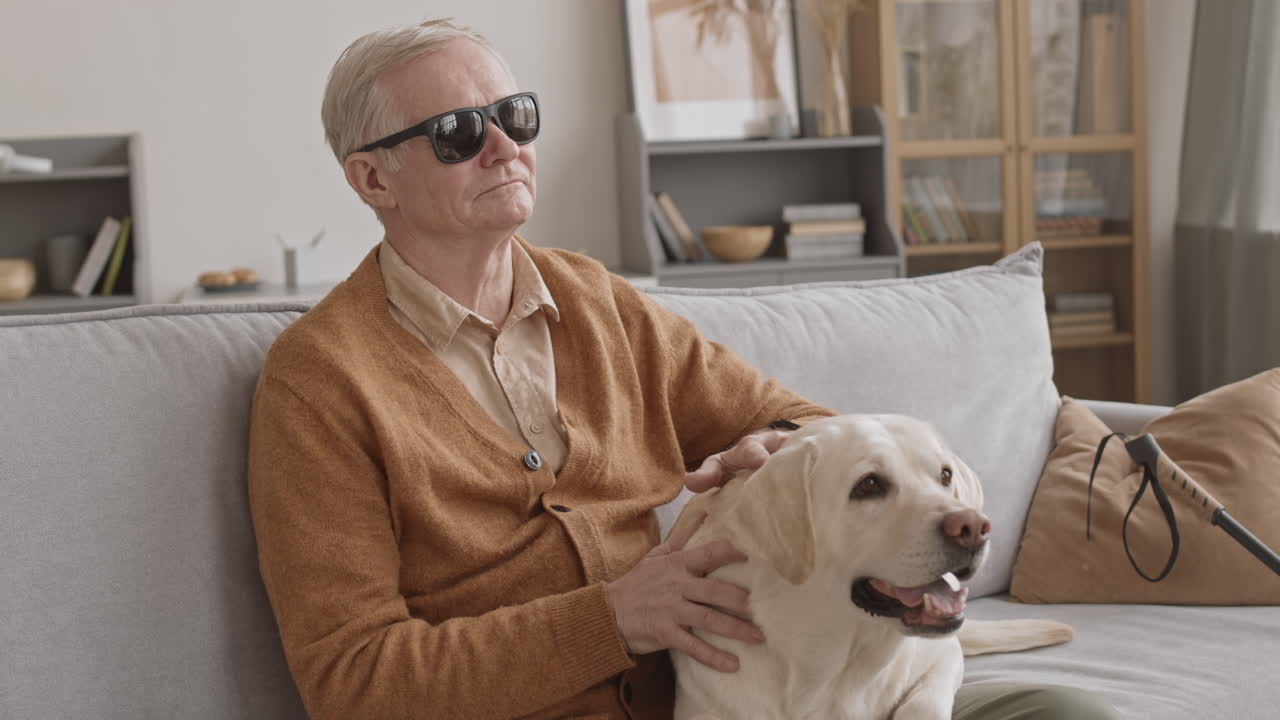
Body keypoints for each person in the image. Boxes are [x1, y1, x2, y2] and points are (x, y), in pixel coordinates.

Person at [246, 18, 1118, 720]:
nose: (503, 147)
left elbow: (798, 421)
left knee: (1072, 715)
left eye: (515, 117)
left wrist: (773, 456)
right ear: (372, 179)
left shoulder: (596, 301)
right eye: (457, 133)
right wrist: (614, 618)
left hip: (748, 693)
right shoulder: (321, 382)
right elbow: (354, 681)